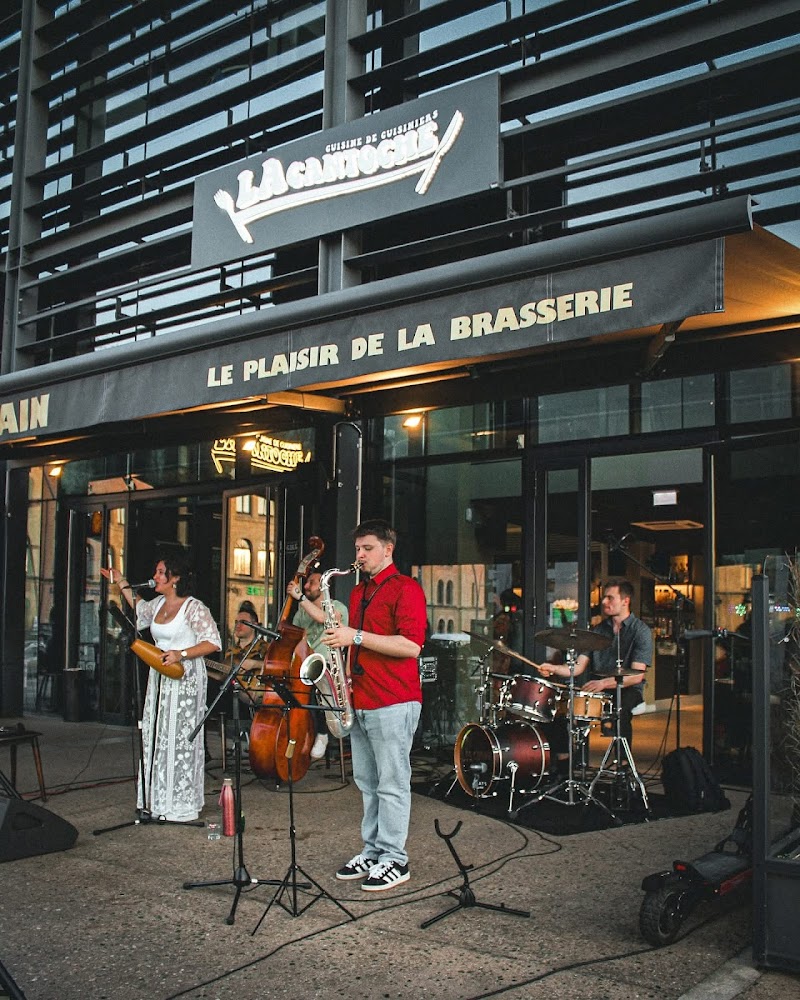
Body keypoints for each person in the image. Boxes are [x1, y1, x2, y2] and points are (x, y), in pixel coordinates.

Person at [322, 518, 427, 891]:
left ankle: (395, 860)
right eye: (357, 549)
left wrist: (357, 636)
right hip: (361, 699)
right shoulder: (357, 593)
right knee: (367, 782)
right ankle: (373, 851)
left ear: (388, 549)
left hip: (394, 700)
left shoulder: (406, 589)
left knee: (392, 784)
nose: (360, 555)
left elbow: (411, 646)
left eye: (367, 548)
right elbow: (356, 644)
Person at [101, 552, 222, 822]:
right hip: (160, 674)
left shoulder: (194, 608)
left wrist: (182, 653)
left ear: (175, 578)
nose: (155, 577)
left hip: (185, 677)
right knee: (158, 733)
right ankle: (157, 800)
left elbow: (212, 642)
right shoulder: (157, 605)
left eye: (160, 572)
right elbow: (137, 606)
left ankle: (180, 803)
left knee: (180, 738)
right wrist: (120, 580)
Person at [538, 578, 651, 747]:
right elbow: (577, 667)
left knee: (620, 709)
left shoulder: (640, 631)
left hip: (628, 689)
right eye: (604, 597)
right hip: (598, 688)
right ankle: (569, 762)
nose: (604, 602)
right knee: (562, 707)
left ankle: (623, 765)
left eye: (610, 598)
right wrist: (552, 668)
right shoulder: (598, 631)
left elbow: (636, 676)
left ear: (625, 601)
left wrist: (603, 683)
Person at [286, 569, 349, 760]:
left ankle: (322, 733)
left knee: (317, 689)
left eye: (311, 582)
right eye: (306, 583)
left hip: (328, 665)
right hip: (306, 663)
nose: (306, 586)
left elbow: (325, 618)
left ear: (323, 585)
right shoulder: (301, 612)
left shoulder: (337, 606)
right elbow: (297, 636)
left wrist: (299, 598)